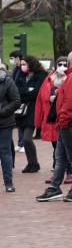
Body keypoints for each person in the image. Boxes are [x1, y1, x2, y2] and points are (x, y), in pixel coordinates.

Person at [35, 52, 72, 202]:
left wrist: (63, 122)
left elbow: (69, 103)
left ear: (69, 61)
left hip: (71, 123)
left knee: (71, 158)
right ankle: (56, 188)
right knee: (62, 157)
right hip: (71, 122)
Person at [35, 56, 67, 180]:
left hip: (64, 118)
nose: (62, 67)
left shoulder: (69, 79)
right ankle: (57, 172)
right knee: (55, 148)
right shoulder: (49, 80)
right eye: (60, 64)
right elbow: (40, 99)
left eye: (65, 64)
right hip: (51, 118)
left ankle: (69, 172)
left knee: (65, 147)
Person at [15, 56, 46, 174]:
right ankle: (30, 163)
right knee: (24, 138)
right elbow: (16, 91)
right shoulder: (20, 75)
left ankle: (35, 163)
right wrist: (27, 90)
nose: (22, 66)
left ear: (31, 64)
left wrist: (26, 92)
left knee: (27, 138)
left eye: (25, 64)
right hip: (21, 110)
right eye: (21, 64)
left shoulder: (41, 76)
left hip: (33, 110)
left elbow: (36, 93)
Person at [0, 63, 21, 192]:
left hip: (4, 122)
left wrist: (2, 111)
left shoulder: (6, 81)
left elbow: (16, 101)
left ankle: (8, 182)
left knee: (5, 151)